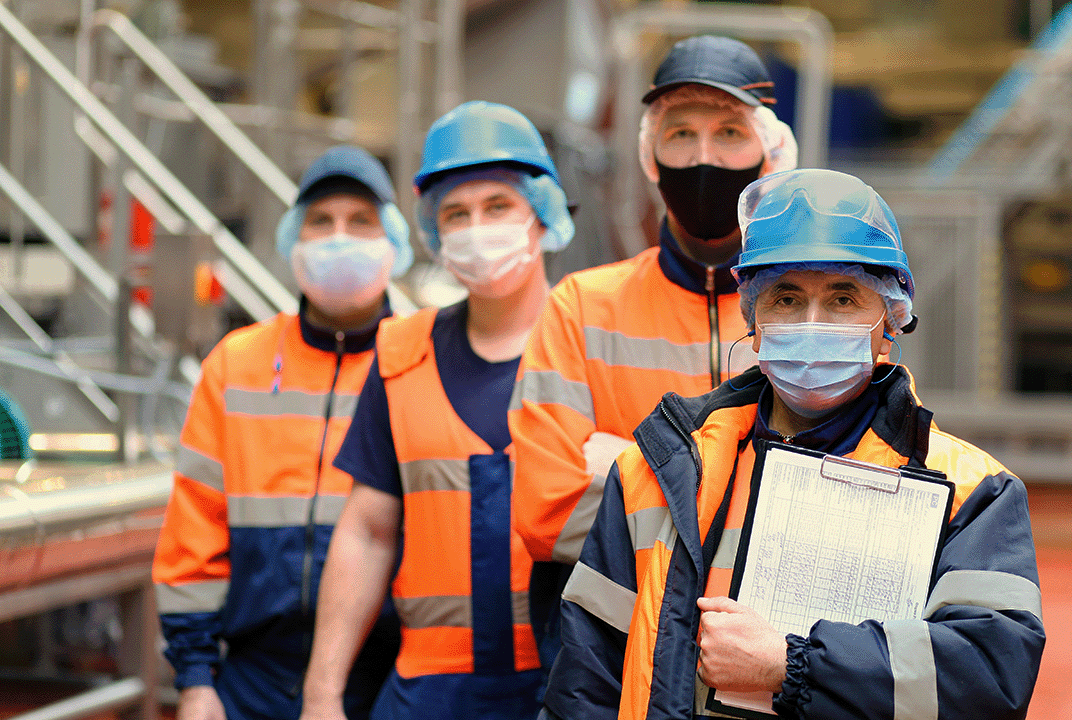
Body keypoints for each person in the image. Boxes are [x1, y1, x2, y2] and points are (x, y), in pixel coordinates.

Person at [542, 169, 1046, 719]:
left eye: (843, 298)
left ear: (890, 318)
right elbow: (584, 687)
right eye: (785, 298)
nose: (813, 322)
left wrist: (793, 663)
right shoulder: (655, 471)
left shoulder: (970, 492)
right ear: (752, 317)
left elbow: (991, 675)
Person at [508, 34, 797, 665]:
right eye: (680, 134)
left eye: (728, 133)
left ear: (771, 153)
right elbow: (544, 513)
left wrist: (627, 465)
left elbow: (836, 509)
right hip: (610, 661)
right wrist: (744, 501)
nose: (703, 157)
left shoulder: (815, 314)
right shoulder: (582, 308)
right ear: (649, 154)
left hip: (761, 663)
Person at [300, 101, 574, 720]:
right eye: (457, 213)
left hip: (566, 684)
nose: (478, 229)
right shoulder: (400, 354)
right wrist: (322, 693)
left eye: (498, 206)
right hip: (429, 692)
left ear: (543, 212)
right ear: (433, 231)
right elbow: (367, 530)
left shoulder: (592, 346)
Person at [152, 145, 412, 720]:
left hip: (388, 682)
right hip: (250, 682)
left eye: (360, 222)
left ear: (395, 242)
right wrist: (196, 682)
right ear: (293, 241)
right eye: (321, 222)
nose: (339, 238)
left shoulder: (421, 362)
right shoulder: (237, 365)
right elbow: (194, 530)